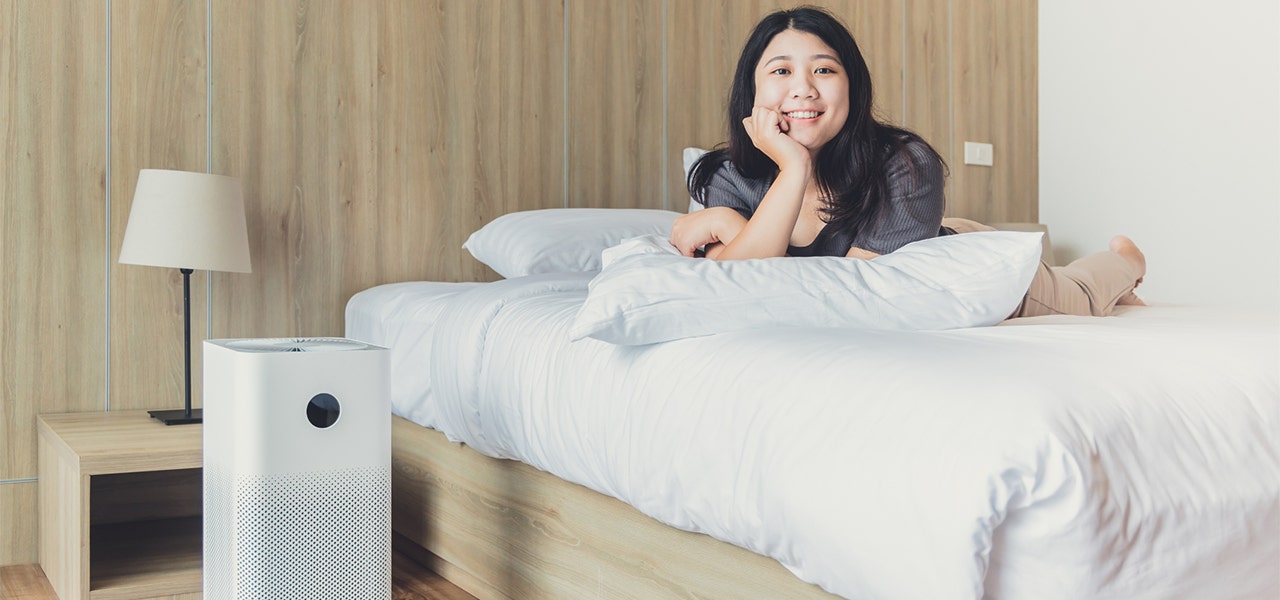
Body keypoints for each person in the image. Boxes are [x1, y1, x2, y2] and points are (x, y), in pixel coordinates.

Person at [669, 6, 1145, 317]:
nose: (804, 88)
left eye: (824, 69)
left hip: (961, 264)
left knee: (1080, 295)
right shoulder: (727, 176)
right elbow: (736, 291)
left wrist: (758, 206)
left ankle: (1125, 261)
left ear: (851, 87)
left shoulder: (905, 162)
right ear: (751, 92)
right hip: (914, 236)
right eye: (781, 71)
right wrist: (770, 189)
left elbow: (852, 298)